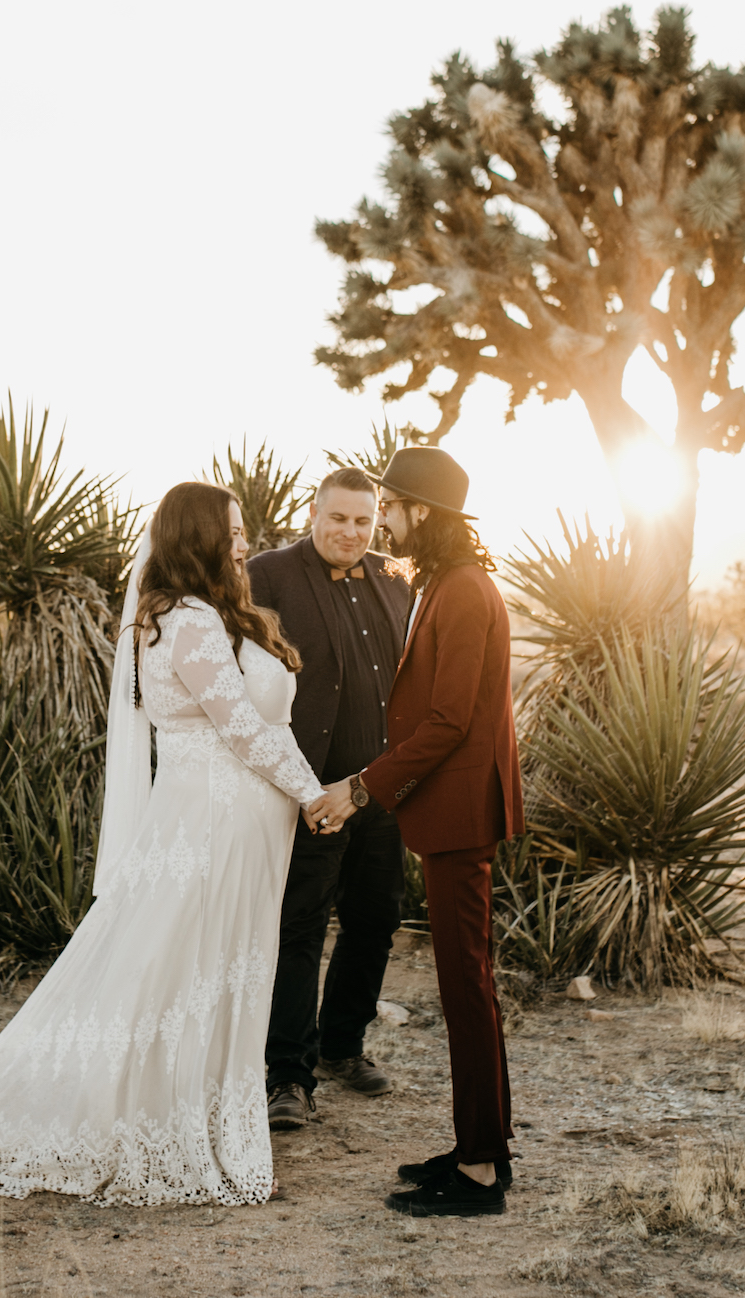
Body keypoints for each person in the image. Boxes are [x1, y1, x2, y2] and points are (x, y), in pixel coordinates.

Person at [0, 482, 329, 1206]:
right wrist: (314, 791)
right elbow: (239, 727)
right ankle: (163, 1122)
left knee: (183, 970)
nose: (244, 543)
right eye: (232, 532)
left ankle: (180, 1107)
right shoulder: (193, 623)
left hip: (208, 819)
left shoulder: (168, 616)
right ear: (198, 537)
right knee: (187, 972)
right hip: (211, 824)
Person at [307, 446, 523, 1219]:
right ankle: (479, 1147)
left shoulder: (464, 591)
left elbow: (449, 719)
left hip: (462, 817)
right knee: (467, 984)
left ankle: (478, 1171)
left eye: (391, 507)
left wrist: (365, 785)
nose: (384, 520)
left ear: (420, 513)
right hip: (452, 814)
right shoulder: (448, 585)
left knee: (467, 985)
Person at [247, 466, 414, 1133]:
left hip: (378, 789)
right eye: (338, 517)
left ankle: (345, 1045)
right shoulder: (269, 575)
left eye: (362, 520)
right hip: (307, 788)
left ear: (376, 521)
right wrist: (299, 785)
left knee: (376, 918)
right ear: (312, 513)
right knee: (299, 927)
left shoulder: (394, 580)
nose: (350, 531)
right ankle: (288, 1073)